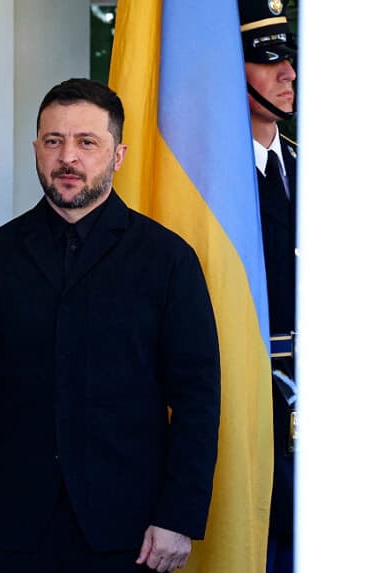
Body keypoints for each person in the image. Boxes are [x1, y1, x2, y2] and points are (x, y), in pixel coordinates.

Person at [0, 78, 221, 573]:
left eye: (87, 142)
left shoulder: (168, 260)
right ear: (36, 149)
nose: (68, 157)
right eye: (53, 141)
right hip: (10, 530)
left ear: (118, 154)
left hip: (134, 534)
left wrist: (179, 516)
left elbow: (198, 399)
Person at [238, 1, 297, 572]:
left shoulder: (312, 167)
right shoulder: (209, 188)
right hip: (246, 397)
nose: (289, 73)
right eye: (269, 58)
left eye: (288, 56)